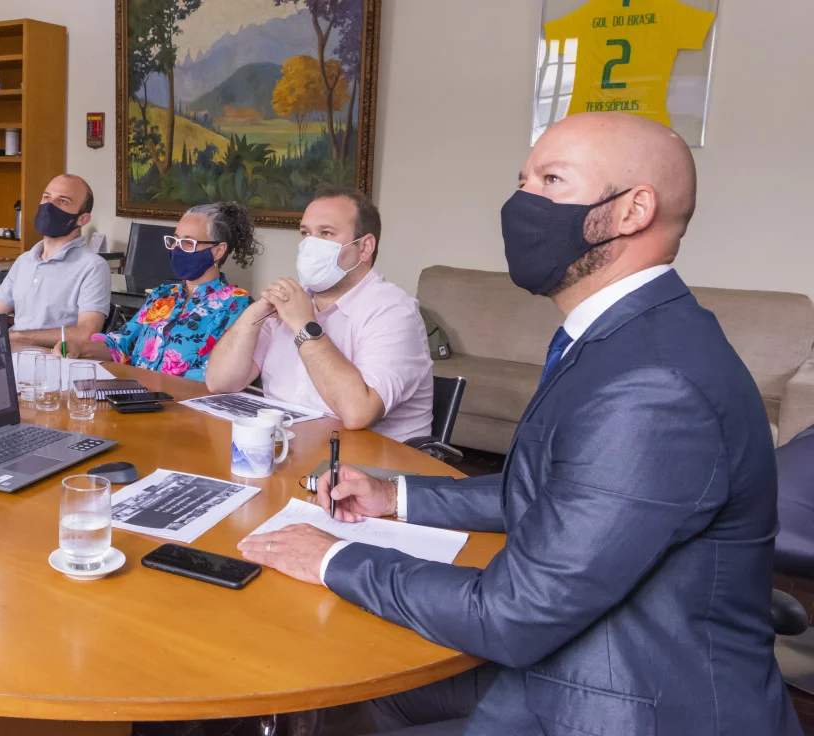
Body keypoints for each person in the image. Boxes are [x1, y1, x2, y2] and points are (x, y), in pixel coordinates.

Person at [237, 112, 802, 735]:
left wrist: (331, 558)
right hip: (573, 654)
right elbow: (553, 492)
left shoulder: (654, 383)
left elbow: (513, 613)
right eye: (522, 181)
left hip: (624, 700)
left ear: (633, 210)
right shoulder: (624, 334)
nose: (520, 203)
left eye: (551, 181)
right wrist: (393, 496)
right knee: (349, 690)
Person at [204, 190, 433, 441]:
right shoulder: (292, 299)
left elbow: (358, 413)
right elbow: (220, 382)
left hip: (367, 459)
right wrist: (252, 316)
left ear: (365, 247)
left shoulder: (393, 312)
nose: (310, 244)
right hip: (287, 447)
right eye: (305, 233)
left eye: (326, 233)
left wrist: (304, 325)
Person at [60, 202, 255, 380]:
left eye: (188, 243)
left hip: (184, 402)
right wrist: (80, 348)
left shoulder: (237, 304)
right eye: (175, 240)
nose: (177, 249)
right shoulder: (163, 294)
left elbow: (214, 375)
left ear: (218, 251)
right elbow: (121, 343)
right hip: (135, 395)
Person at [0, 174, 111, 347]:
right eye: (46, 197)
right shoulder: (25, 260)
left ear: (82, 219)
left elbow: (86, 333)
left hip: (53, 358)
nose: (49, 206)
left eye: (62, 201)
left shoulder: (93, 266)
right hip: (11, 353)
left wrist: (17, 337)